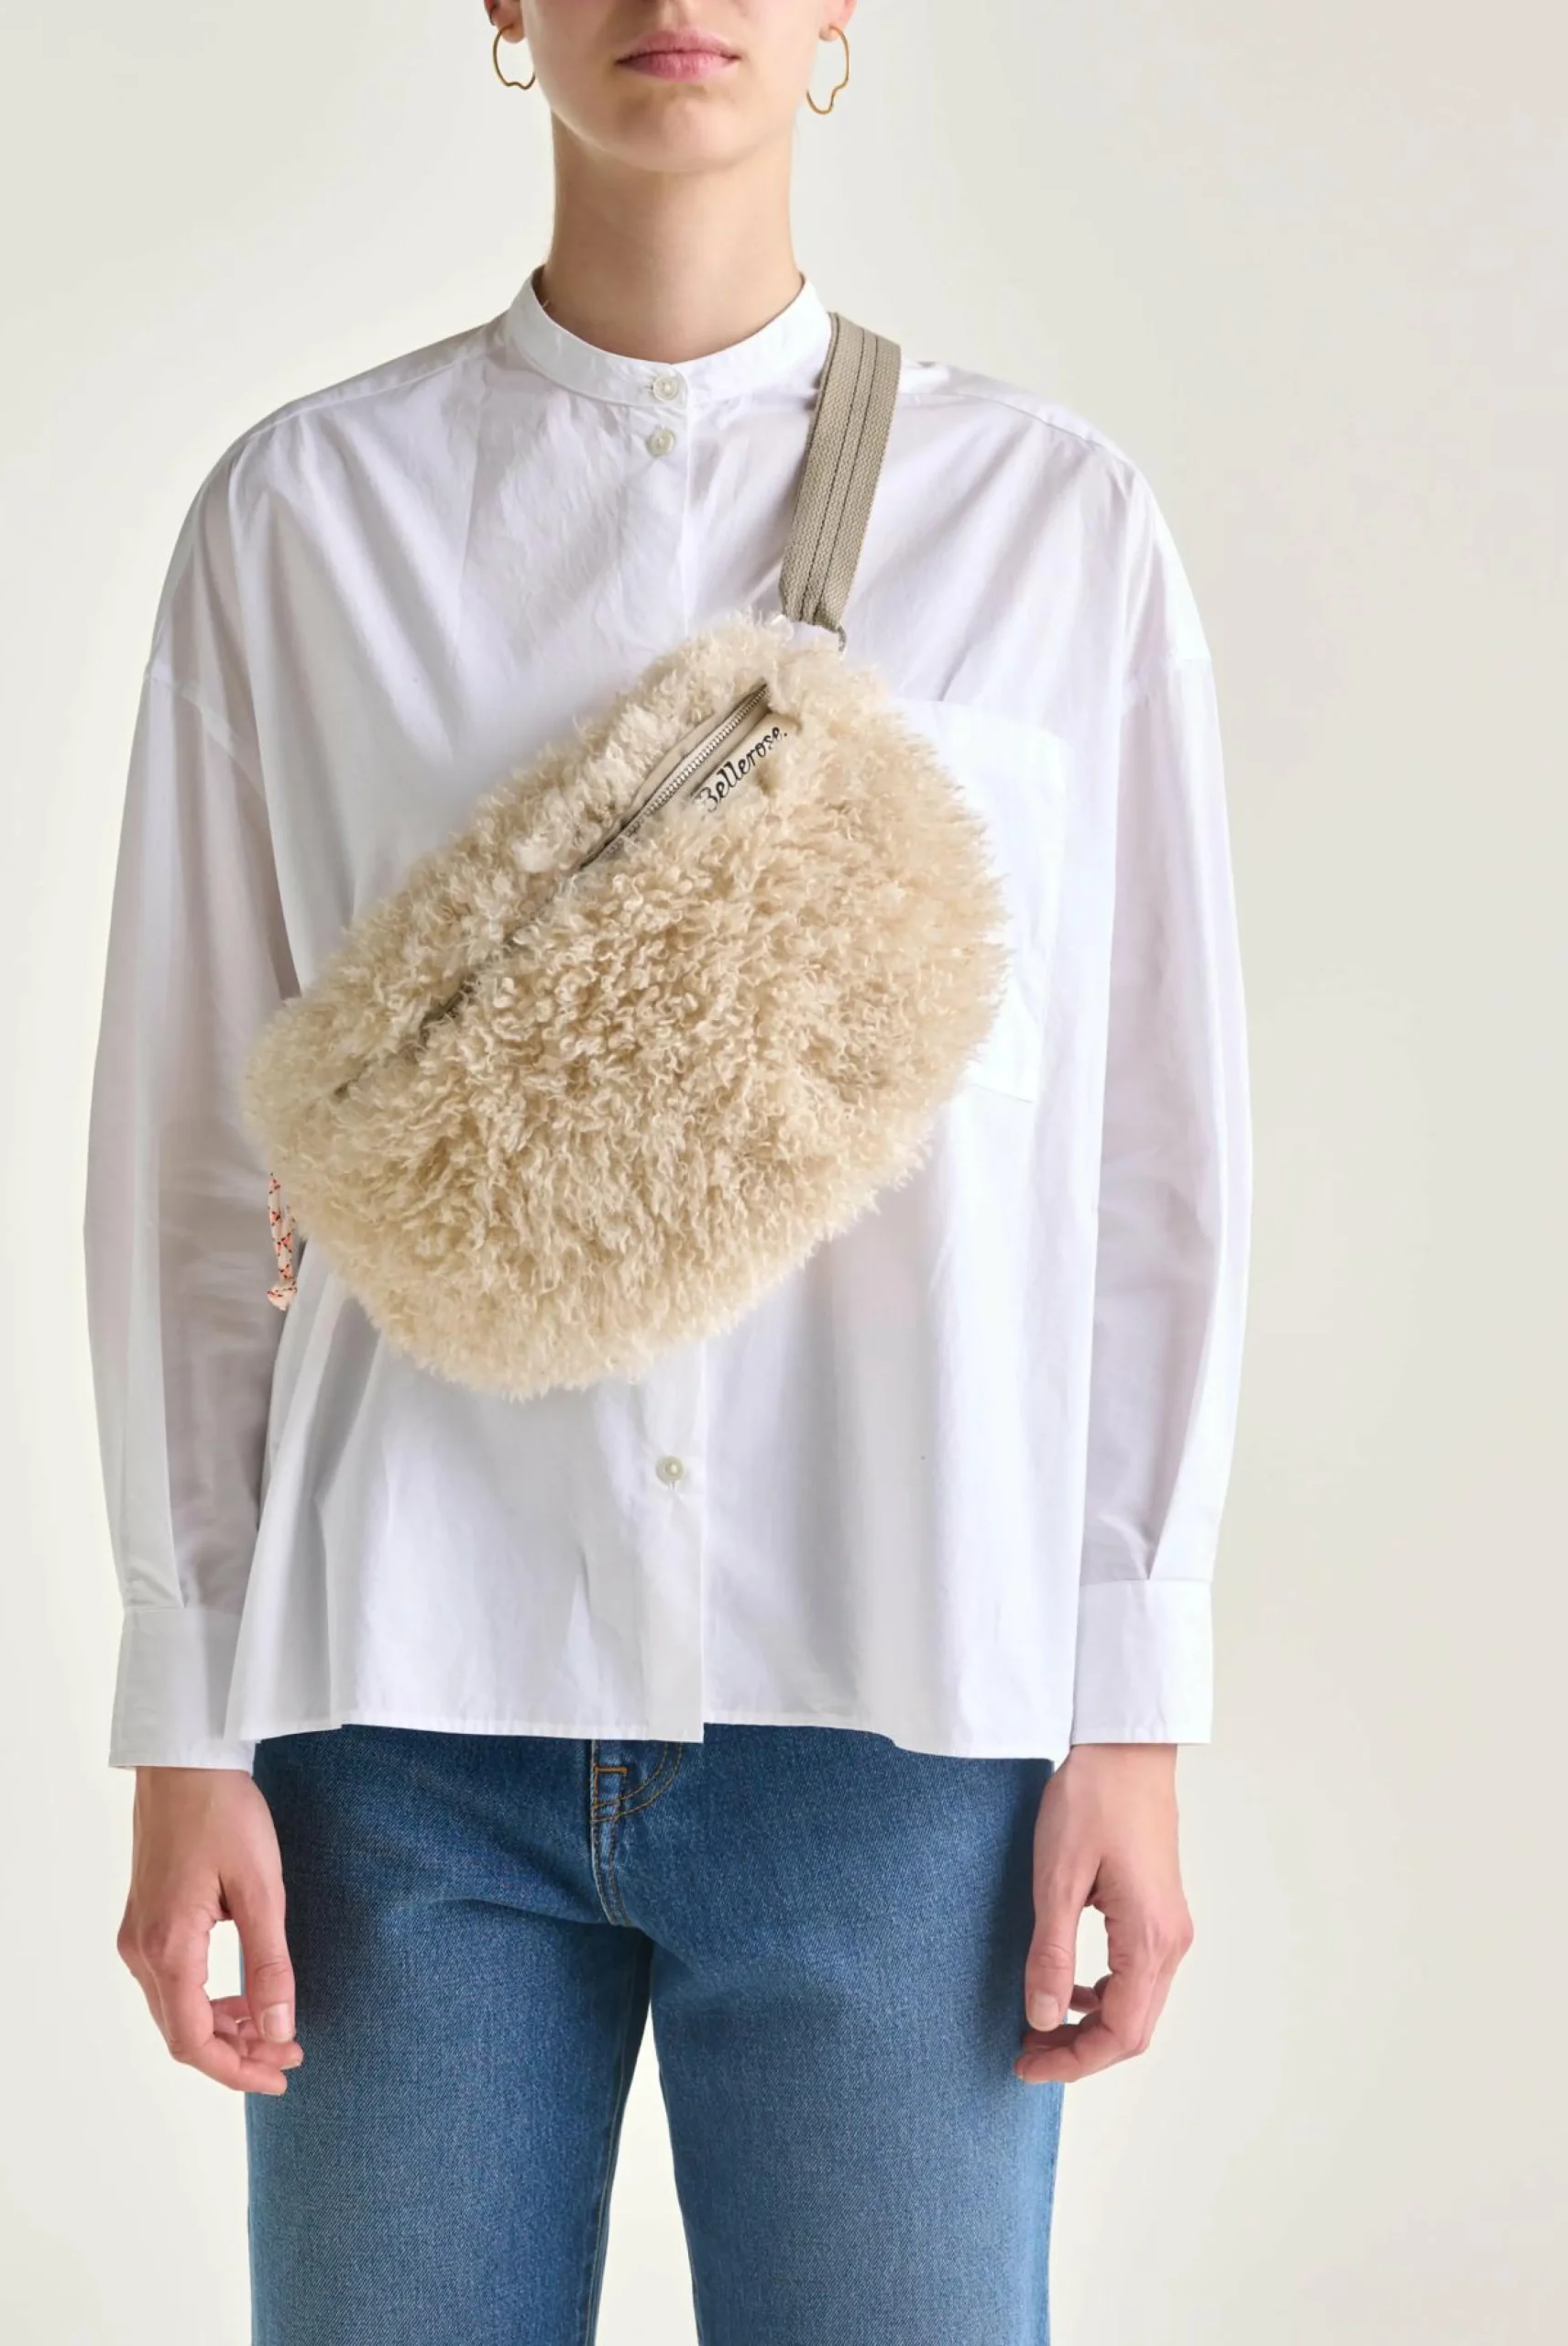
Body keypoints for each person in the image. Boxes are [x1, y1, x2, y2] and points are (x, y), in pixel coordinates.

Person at [84, 5, 1253, 2340]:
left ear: (842, 15)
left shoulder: (1056, 525)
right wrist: (183, 1705)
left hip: (901, 1709)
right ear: (501, 8)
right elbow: (187, 1161)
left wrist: (1133, 1689)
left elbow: (1146, 1151)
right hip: (399, 1706)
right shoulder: (304, 518)